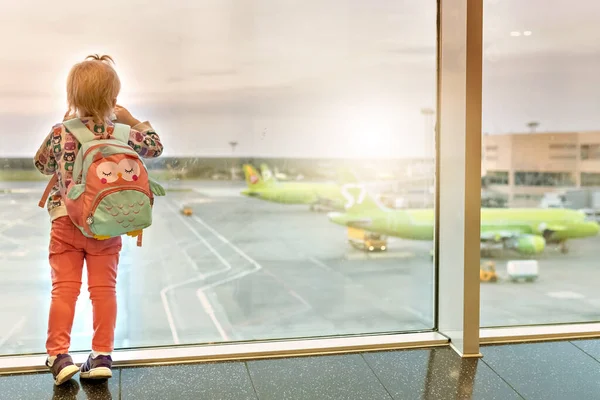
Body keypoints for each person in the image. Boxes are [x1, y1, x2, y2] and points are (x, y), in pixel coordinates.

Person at [33, 54, 163, 385]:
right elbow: (155, 147)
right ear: (113, 98)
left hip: (66, 222)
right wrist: (131, 118)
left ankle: (59, 355)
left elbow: (42, 165)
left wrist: (65, 124)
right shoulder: (120, 132)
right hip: (107, 225)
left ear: (72, 97)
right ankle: (101, 354)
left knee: (64, 290)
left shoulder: (62, 132)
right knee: (104, 290)